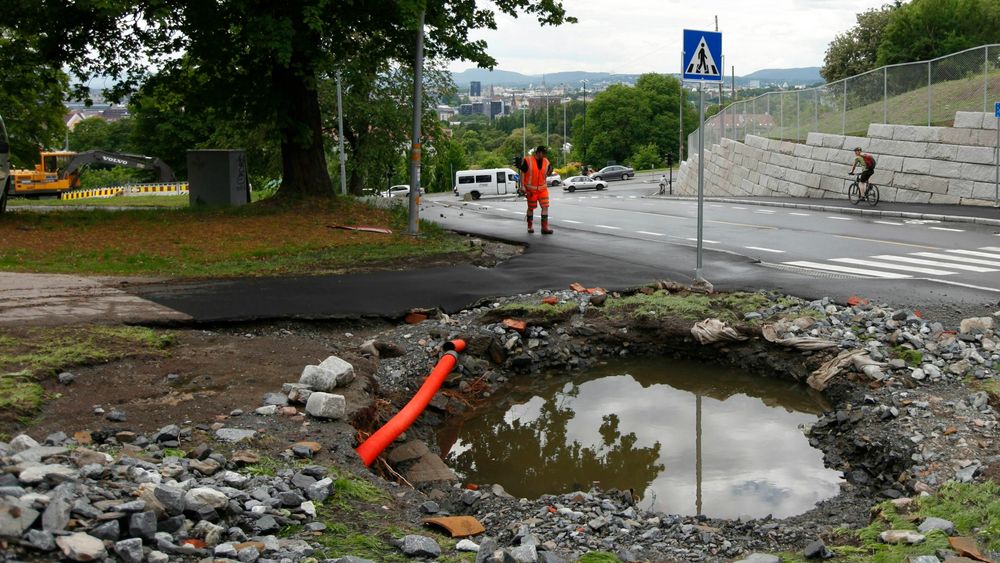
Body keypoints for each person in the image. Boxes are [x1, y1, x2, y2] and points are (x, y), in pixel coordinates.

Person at [519, 145, 554, 234]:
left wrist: (550, 171)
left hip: (542, 189)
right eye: (543, 153)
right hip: (531, 190)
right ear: (538, 152)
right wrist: (522, 186)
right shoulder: (528, 160)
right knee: (531, 208)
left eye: (545, 153)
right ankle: (530, 227)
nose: (544, 155)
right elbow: (522, 173)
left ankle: (544, 228)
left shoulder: (546, 161)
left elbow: (548, 174)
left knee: (545, 206)